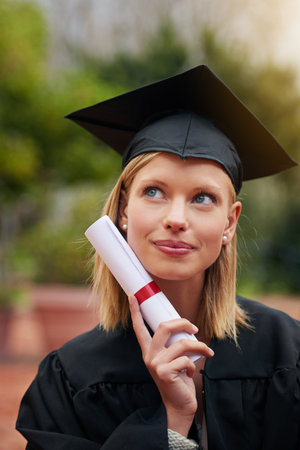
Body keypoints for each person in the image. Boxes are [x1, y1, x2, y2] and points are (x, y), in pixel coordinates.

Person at [16, 65, 300, 450]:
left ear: (230, 222)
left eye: (203, 198)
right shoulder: (71, 378)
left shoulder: (288, 355)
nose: (176, 219)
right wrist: (171, 424)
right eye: (154, 191)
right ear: (123, 210)